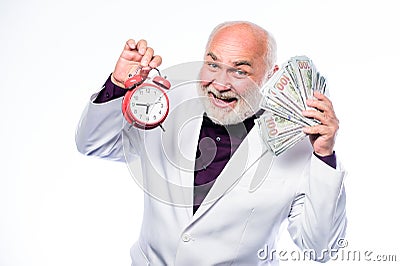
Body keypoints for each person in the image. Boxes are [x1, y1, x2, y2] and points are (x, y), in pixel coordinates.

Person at [75, 21, 347, 265]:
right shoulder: (167, 104)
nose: (219, 83)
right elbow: (94, 143)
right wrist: (119, 84)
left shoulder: (297, 149)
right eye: (213, 64)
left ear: (271, 75)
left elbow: (320, 248)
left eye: (239, 72)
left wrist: (324, 155)